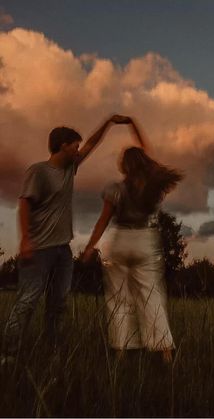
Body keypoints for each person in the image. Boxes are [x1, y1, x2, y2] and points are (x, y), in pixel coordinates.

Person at [2, 114, 131, 362]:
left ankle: (52, 352)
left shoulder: (71, 168)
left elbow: (93, 144)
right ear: (63, 145)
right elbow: (24, 205)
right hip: (39, 249)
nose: (79, 150)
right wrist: (25, 240)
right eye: (75, 145)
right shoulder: (38, 171)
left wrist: (109, 122)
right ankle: (9, 354)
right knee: (27, 301)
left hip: (62, 251)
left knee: (58, 303)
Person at [83, 118, 183, 362]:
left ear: (124, 166)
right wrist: (134, 124)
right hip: (145, 241)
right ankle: (165, 354)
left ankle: (119, 353)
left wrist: (89, 247)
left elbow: (103, 221)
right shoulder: (153, 186)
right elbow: (146, 149)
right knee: (152, 297)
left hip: (119, 242)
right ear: (144, 163)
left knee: (118, 299)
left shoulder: (115, 188)